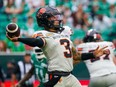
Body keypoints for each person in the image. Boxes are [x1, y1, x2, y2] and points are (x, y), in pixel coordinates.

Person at [6, 6, 107, 87]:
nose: (57, 19)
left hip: (69, 76)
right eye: (52, 17)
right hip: (57, 78)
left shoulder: (65, 33)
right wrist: (19, 39)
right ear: (44, 20)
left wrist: (93, 54)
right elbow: (36, 42)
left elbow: (76, 56)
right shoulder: (43, 34)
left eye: (57, 17)